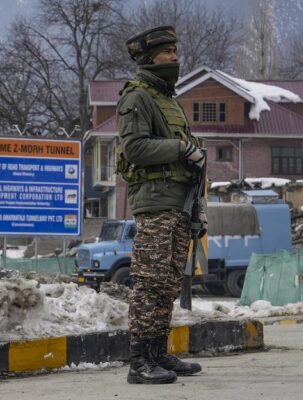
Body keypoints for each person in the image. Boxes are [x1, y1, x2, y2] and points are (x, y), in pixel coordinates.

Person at [116, 25, 205, 385]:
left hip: (178, 203)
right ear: (150, 58)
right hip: (154, 203)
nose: (175, 57)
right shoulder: (137, 97)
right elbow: (134, 148)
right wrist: (181, 149)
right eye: (168, 52)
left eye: (175, 51)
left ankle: (157, 352)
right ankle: (139, 361)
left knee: (168, 283)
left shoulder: (167, 98)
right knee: (150, 282)